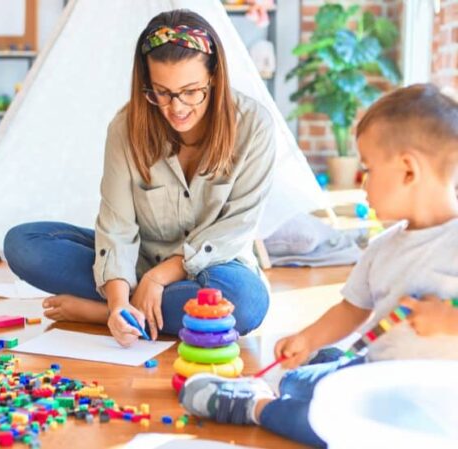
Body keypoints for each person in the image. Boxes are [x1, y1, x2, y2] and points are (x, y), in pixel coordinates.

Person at [180, 84, 458, 448]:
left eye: (368, 170)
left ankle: (254, 407)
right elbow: (351, 308)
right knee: (297, 381)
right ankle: (319, 369)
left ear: (408, 170)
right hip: (372, 372)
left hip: (431, 406)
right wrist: (307, 339)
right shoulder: (382, 249)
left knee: (324, 426)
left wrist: (447, 319)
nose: (363, 185)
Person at [3, 9, 275, 346]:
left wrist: (160, 278)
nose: (176, 108)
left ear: (215, 77)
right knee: (23, 245)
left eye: (191, 91)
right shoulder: (125, 128)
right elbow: (116, 226)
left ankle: (101, 312)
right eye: (161, 92)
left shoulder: (254, 126)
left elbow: (235, 228)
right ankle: (132, 312)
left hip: (214, 267)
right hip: (138, 262)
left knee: (244, 303)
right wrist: (118, 301)